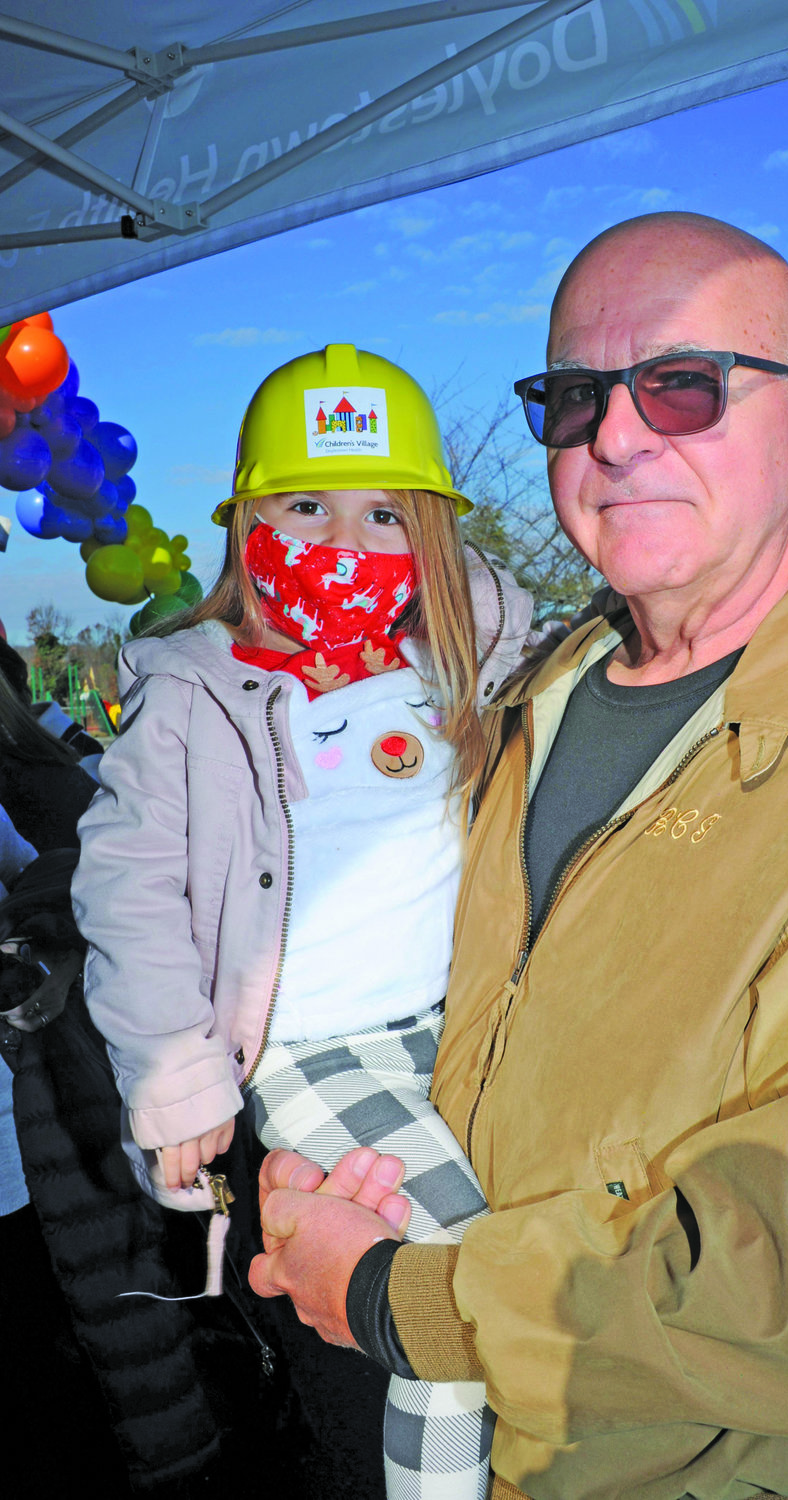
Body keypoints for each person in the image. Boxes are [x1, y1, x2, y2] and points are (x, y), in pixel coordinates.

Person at [246, 214, 788, 1500]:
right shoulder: (524, 695)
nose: (615, 434)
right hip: (504, 1446)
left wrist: (389, 1294)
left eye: (682, 385)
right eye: (573, 396)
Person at [73, 344, 533, 1500]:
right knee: (448, 1294)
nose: (345, 540)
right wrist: (176, 1079)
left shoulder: (452, 664)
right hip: (316, 1048)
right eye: (305, 504)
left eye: (385, 511)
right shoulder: (189, 690)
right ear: (244, 520)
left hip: (468, 1031)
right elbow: (127, 893)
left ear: (431, 532)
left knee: (551, 1268)